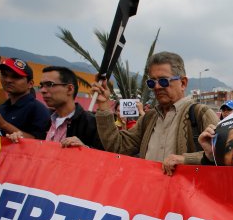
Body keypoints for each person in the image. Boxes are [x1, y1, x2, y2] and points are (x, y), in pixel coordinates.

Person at [90, 51, 218, 169]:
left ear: (183, 83)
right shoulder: (149, 118)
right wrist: (103, 105)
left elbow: (225, 152)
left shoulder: (200, 113)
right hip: (151, 191)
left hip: (186, 193)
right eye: (152, 83)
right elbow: (117, 146)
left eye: (163, 81)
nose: (157, 87)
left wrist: (186, 160)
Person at [0, 58, 50, 140]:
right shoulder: (2, 108)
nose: (8, 80)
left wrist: (3, 125)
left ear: (30, 84)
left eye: (16, 76)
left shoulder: (38, 109)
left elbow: (40, 144)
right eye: (4, 74)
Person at [35, 66, 102, 149]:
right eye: (41, 86)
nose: (43, 90)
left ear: (70, 89)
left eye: (49, 84)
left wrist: (84, 149)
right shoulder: (44, 118)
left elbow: (106, 157)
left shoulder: (90, 123)